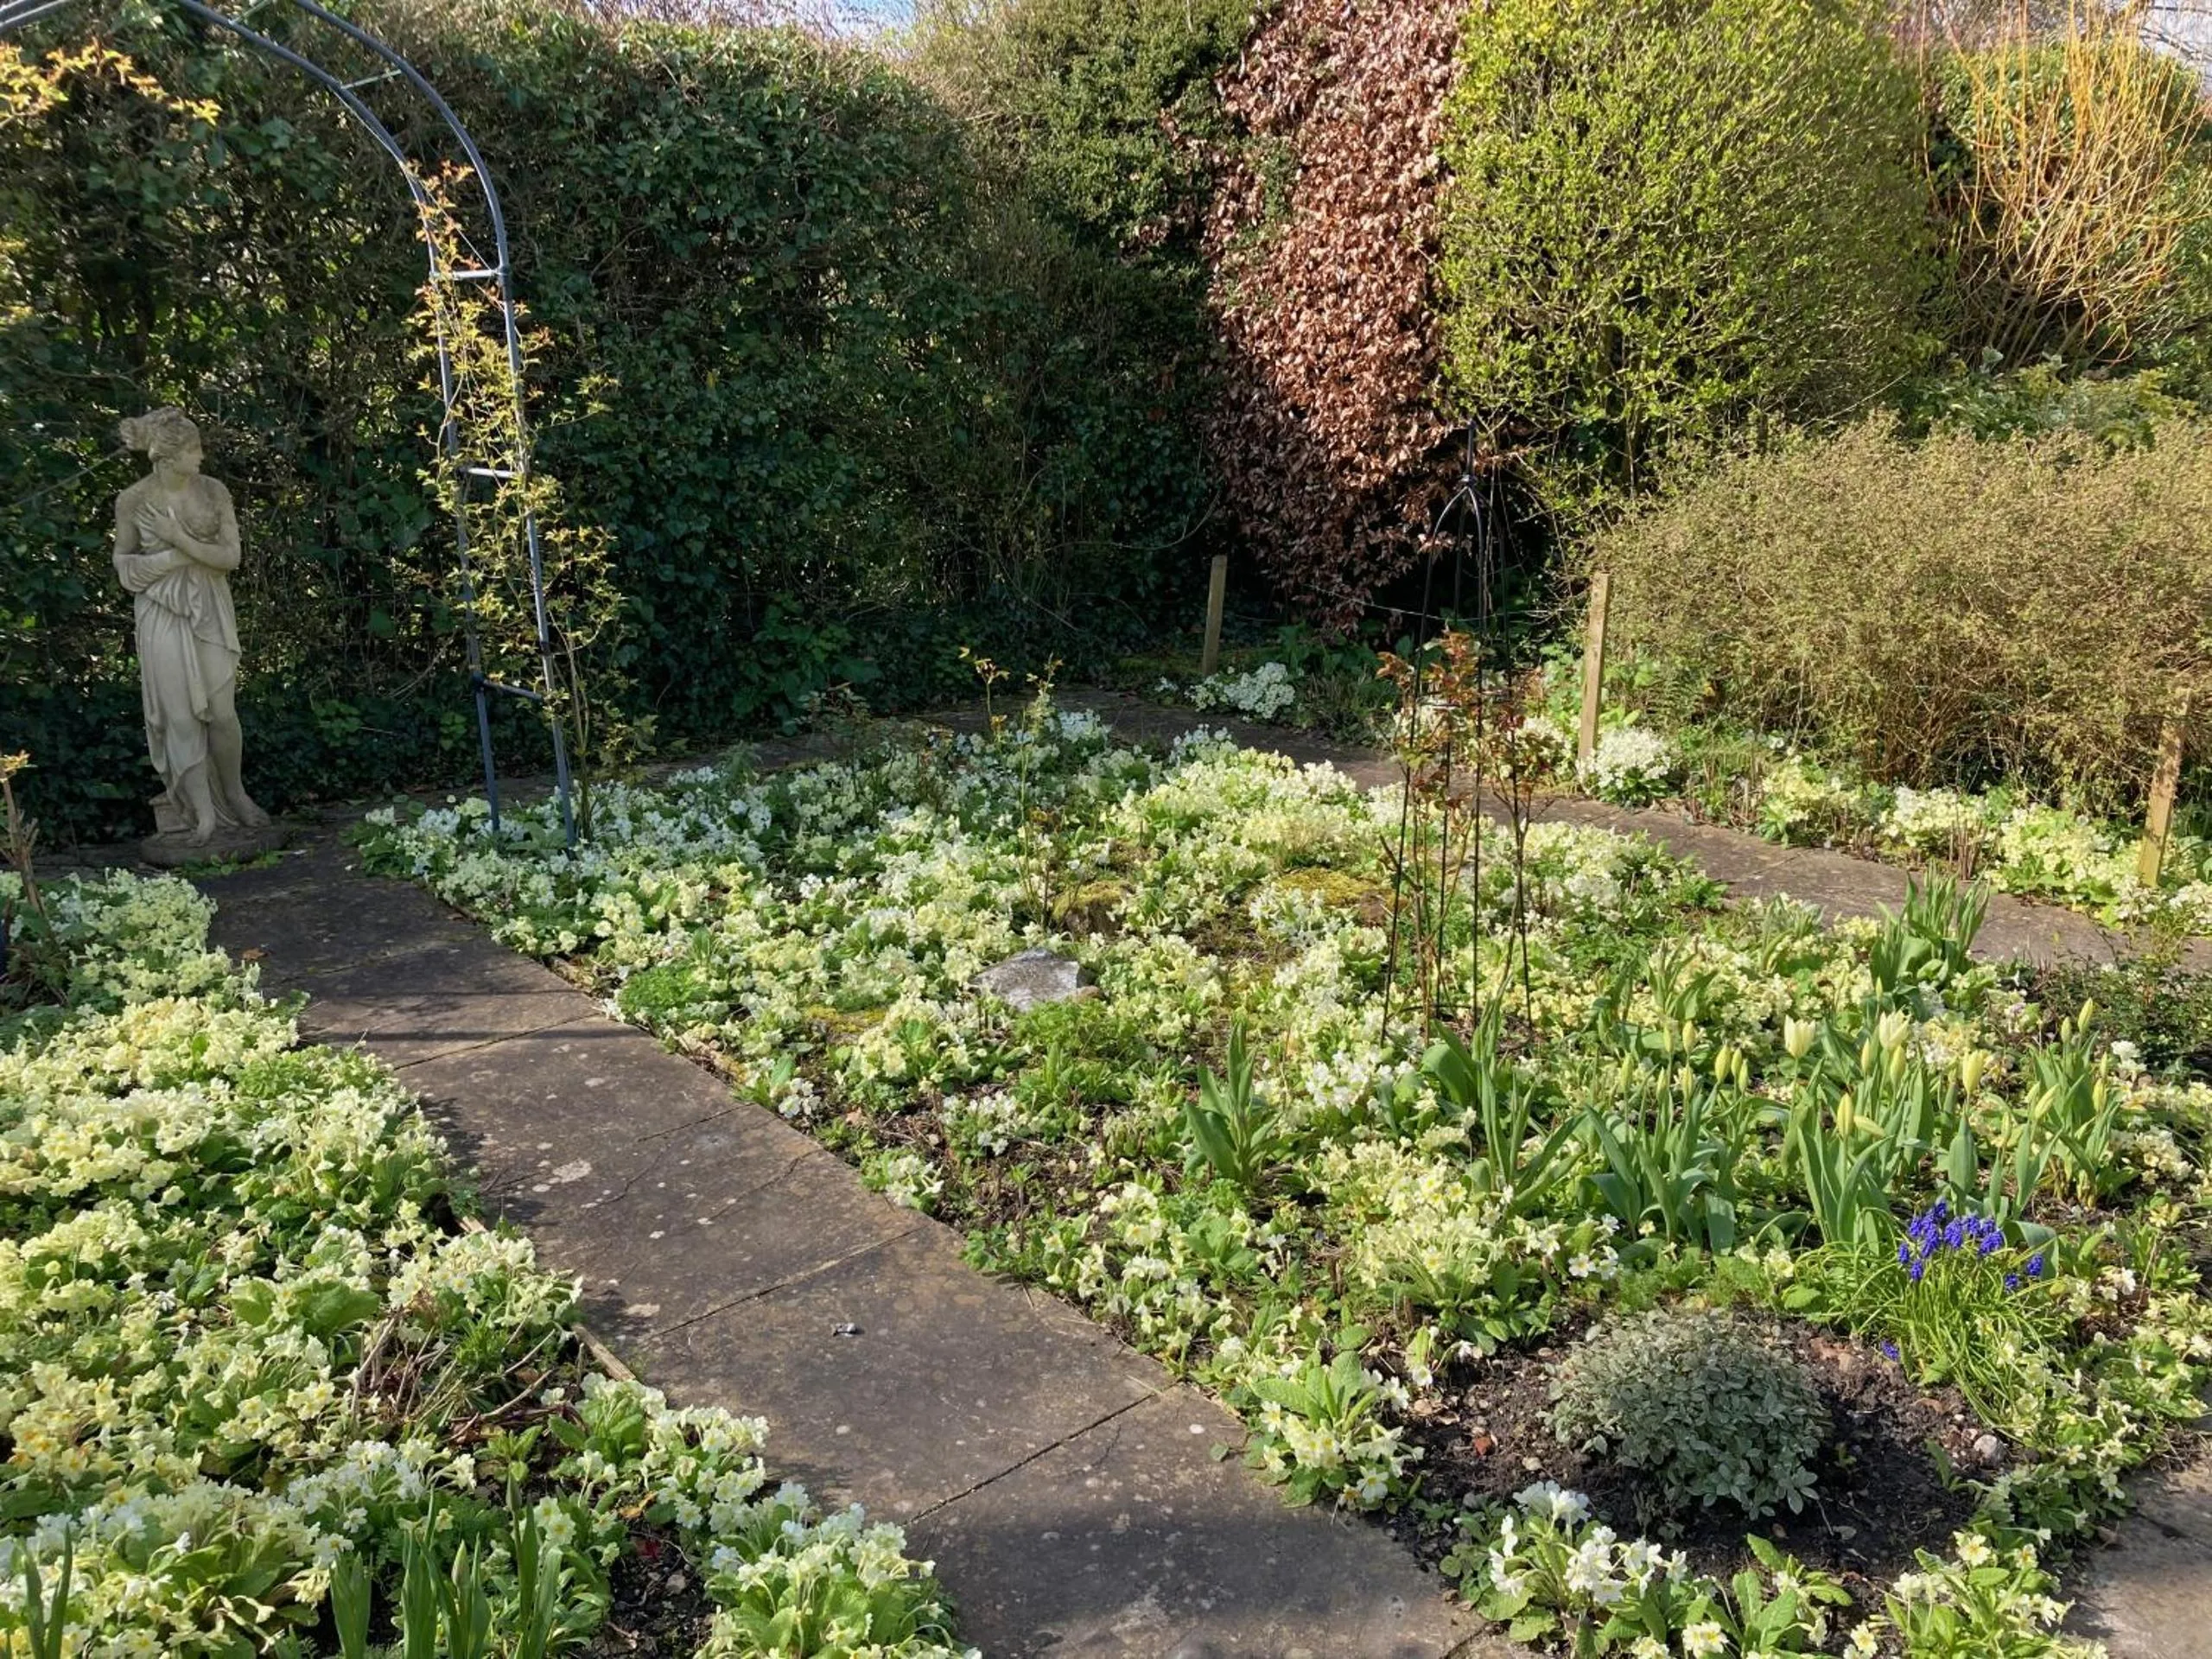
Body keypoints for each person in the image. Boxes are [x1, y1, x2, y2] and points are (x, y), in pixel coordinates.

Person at [111, 408, 270, 842]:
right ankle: (203, 816)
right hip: (161, 612)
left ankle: (234, 794)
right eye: (194, 449)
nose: (201, 456)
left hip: (209, 608)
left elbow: (231, 558)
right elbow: (125, 567)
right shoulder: (132, 501)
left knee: (222, 713)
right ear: (168, 455)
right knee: (180, 717)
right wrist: (176, 558)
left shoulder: (214, 491)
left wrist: (180, 540)